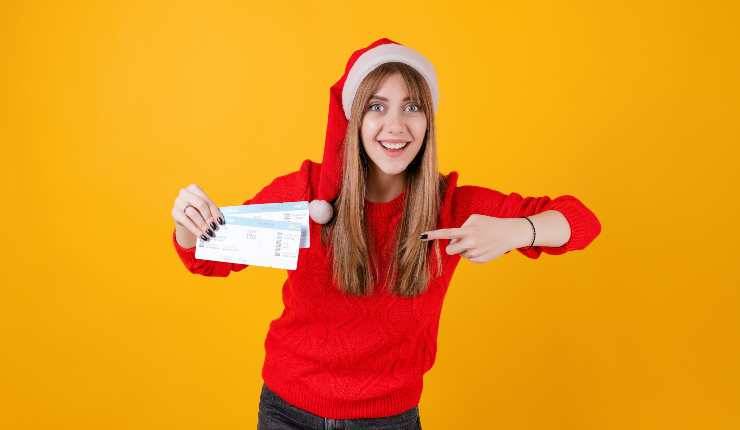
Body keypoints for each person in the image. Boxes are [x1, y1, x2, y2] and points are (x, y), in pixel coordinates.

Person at [170, 38, 602, 430]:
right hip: (287, 412)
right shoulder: (307, 194)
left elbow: (580, 221)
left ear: (429, 121)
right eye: (376, 107)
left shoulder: (451, 206)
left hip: (389, 420)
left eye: (412, 107)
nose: (395, 126)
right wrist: (188, 221)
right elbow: (203, 258)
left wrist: (516, 231)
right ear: (353, 120)